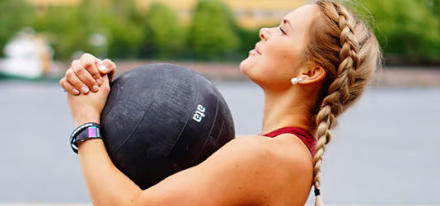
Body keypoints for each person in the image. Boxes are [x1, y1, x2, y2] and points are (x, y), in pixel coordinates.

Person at [60, 0, 381, 205]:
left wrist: (86, 119)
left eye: (283, 30)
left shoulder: (265, 156)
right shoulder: (292, 154)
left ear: (310, 72)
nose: (265, 31)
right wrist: (117, 96)